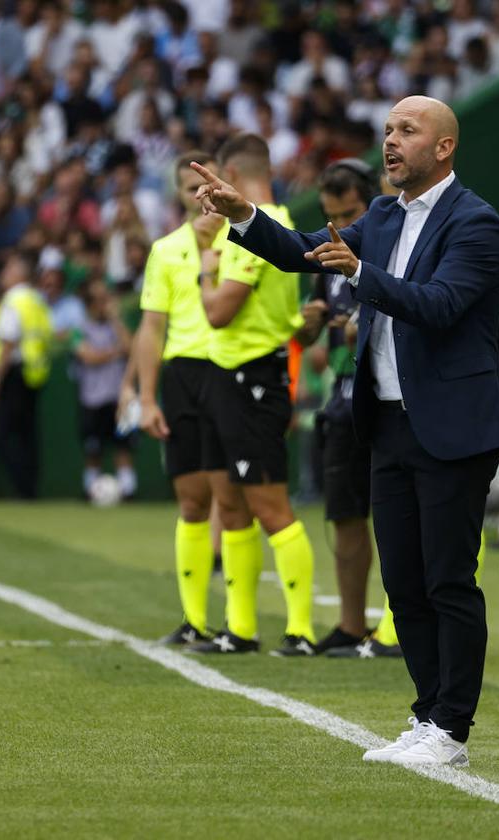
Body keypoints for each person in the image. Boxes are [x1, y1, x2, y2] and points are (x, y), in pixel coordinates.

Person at [196, 96, 499, 764]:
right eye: (388, 130)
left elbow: (443, 305)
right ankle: (429, 717)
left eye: (407, 130)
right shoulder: (379, 215)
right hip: (387, 422)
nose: (391, 141)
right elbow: (298, 252)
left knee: (447, 580)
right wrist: (244, 215)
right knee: (401, 582)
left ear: (444, 147)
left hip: (453, 426)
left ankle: (453, 728)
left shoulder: (476, 221)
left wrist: (363, 274)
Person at [186, 133, 320, 658]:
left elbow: (219, 311)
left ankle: (302, 629)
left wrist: (204, 261)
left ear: (234, 175)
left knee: (270, 505)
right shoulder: (248, 225)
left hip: (253, 377)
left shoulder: (265, 225)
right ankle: (239, 628)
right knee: (231, 503)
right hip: (227, 375)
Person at [294, 158, 402, 659]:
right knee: (344, 514)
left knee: (396, 515)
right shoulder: (326, 257)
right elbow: (314, 338)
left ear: (371, 204)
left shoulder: (389, 243)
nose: (339, 225)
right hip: (341, 398)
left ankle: (397, 628)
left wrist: (366, 324)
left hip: (385, 394)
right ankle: (350, 624)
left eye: (350, 212)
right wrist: (310, 324)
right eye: (331, 214)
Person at [127, 151, 225, 646]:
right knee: (191, 500)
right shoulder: (165, 250)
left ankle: (242, 624)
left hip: (233, 370)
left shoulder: (245, 242)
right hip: (184, 376)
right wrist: (146, 398)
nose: (201, 195)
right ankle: (194, 620)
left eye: (207, 186)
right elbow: (151, 327)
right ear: (179, 194)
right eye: (191, 188)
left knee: (238, 500)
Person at [0, 255, 52, 499]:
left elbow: (8, 344)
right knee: (27, 435)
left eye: (8, 268)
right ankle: (29, 488)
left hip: (13, 375)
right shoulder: (36, 300)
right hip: (33, 374)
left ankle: (22, 488)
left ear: (19, 274)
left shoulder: (13, 301)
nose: (4, 273)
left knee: (5, 436)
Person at [72, 279, 136, 499]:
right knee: (93, 450)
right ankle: (90, 490)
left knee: (124, 447)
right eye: (99, 301)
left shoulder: (117, 326)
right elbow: (88, 357)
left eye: (106, 300)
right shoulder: (79, 329)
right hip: (92, 399)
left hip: (119, 398)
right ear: (90, 304)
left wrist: (116, 319)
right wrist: (115, 352)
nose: (104, 305)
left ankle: (128, 491)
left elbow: (131, 348)